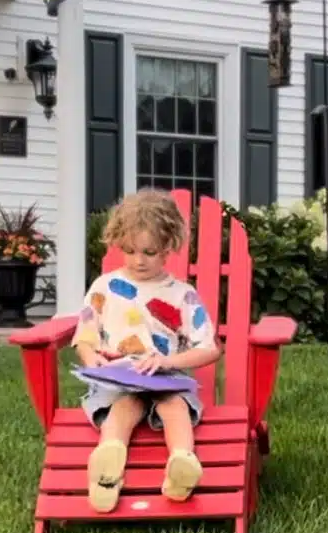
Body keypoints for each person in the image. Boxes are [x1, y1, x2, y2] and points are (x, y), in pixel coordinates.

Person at [71, 188, 221, 513]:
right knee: (123, 408)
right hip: (119, 377)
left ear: (168, 246)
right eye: (130, 250)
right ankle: (106, 471)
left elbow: (209, 349)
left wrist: (167, 360)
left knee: (175, 409)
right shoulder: (104, 288)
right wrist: (90, 357)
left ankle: (181, 467)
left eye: (149, 252)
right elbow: (85, 335)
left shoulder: (183, 295)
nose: (139, 260)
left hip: (166, 377)